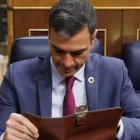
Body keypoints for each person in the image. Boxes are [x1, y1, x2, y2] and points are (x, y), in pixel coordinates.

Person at [0, 0, 140, 139]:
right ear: (49, 35)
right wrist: (6, 136)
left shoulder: (115, 72)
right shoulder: (16, 76)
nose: (67, 63)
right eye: (59, 51)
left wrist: (113, 125)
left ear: (93, 40)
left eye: (77, 53)